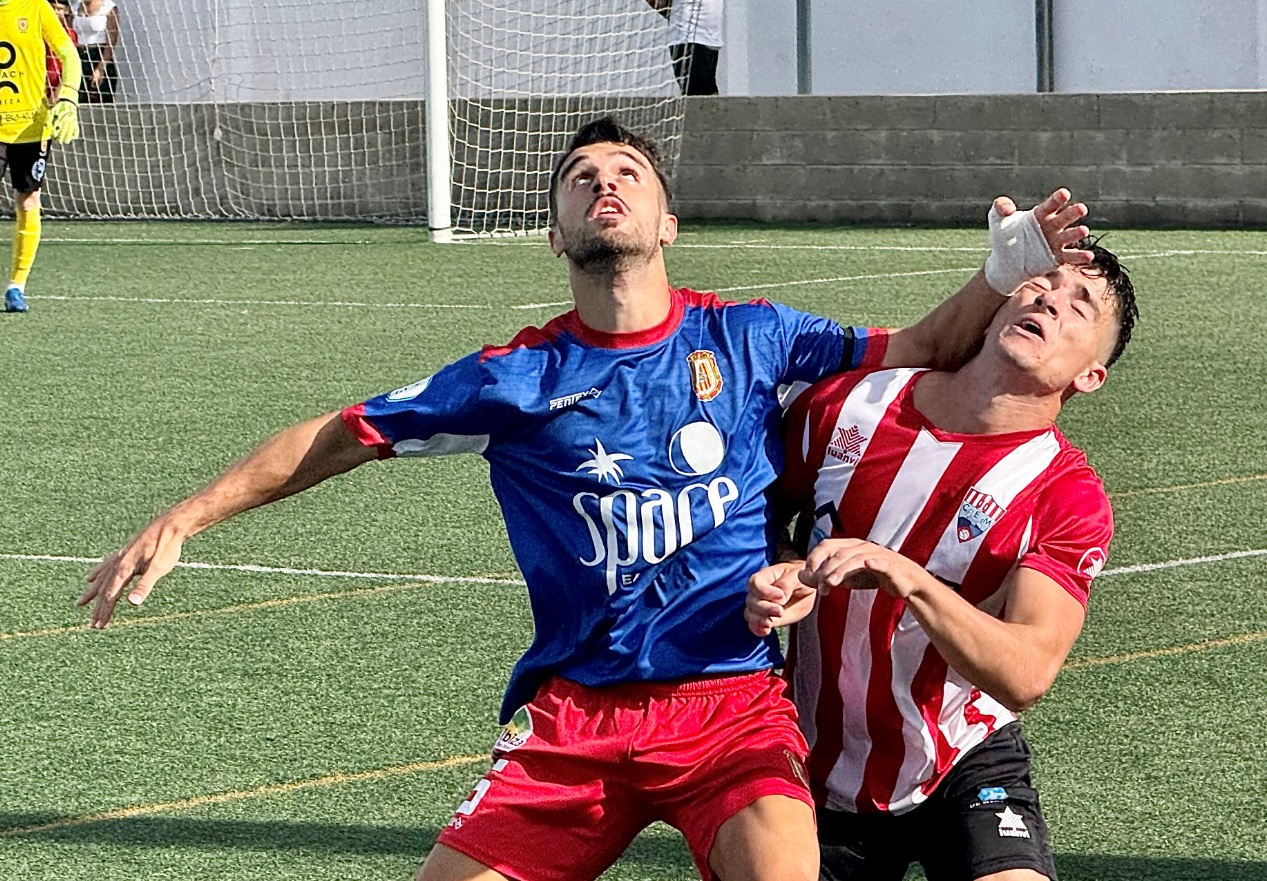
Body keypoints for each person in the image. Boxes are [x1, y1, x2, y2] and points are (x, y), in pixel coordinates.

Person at [79, 117, 1092, 881]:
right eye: (580, 178)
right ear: (557, 236)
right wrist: (185, 516)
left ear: (667, 222)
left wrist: (1000, 273)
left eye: (627, 173)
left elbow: (918, 345)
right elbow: (340, 434)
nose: (604, 183)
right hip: (575, 718)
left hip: (731, 707)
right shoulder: (512, 379)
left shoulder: (753, 337)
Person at [745, 223, 1138, 881]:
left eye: (1079, 306)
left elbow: (1026, 671)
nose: (1049, 300)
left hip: (960, 758)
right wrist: (780, 563)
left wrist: (909, 579)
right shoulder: (849, 404)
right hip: (809, 758)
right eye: (1041, 282)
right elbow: (747, 513)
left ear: (1090, 375)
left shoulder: (1065, 493)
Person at [0, 0, 82, 314]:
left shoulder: (35, 7)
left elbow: (69, 55)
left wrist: (69, 99)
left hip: (31, 127)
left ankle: (16, 286)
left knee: (28, 201)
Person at [646, 0, 723, 95]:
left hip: (710, 38)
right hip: (689, 37)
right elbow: (659, 4)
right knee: (701, 94)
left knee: (708, 92)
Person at [71, 0, 117, 103]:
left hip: (98, 55)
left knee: (99, 100)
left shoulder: (108, 7)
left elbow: (112, 39)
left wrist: (100, 68)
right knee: (78, 98)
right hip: (79, 55)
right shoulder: (75, 7)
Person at [46, 0, 79, 103]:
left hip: (57, 87)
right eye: (53, 8)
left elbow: (70, 66)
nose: (55, 12)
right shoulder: (38, 32)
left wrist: (58, 92)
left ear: (66, 11)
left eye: (59, 9)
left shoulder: (69, 34)